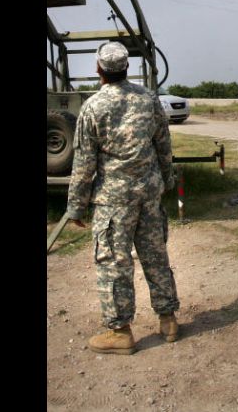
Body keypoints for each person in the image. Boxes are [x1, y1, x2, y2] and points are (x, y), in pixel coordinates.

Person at [66, 41, 180, 355]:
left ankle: (120, 332)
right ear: (126, 68)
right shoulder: (149, 100)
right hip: (149, 195)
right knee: (156, 256)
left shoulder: (93, 107)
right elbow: (163, 145)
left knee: (114, 264)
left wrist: (76, 205)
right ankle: (168, 320)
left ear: (99, 70)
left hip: (113, 202)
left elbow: (84, 162)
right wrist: (166, 181)